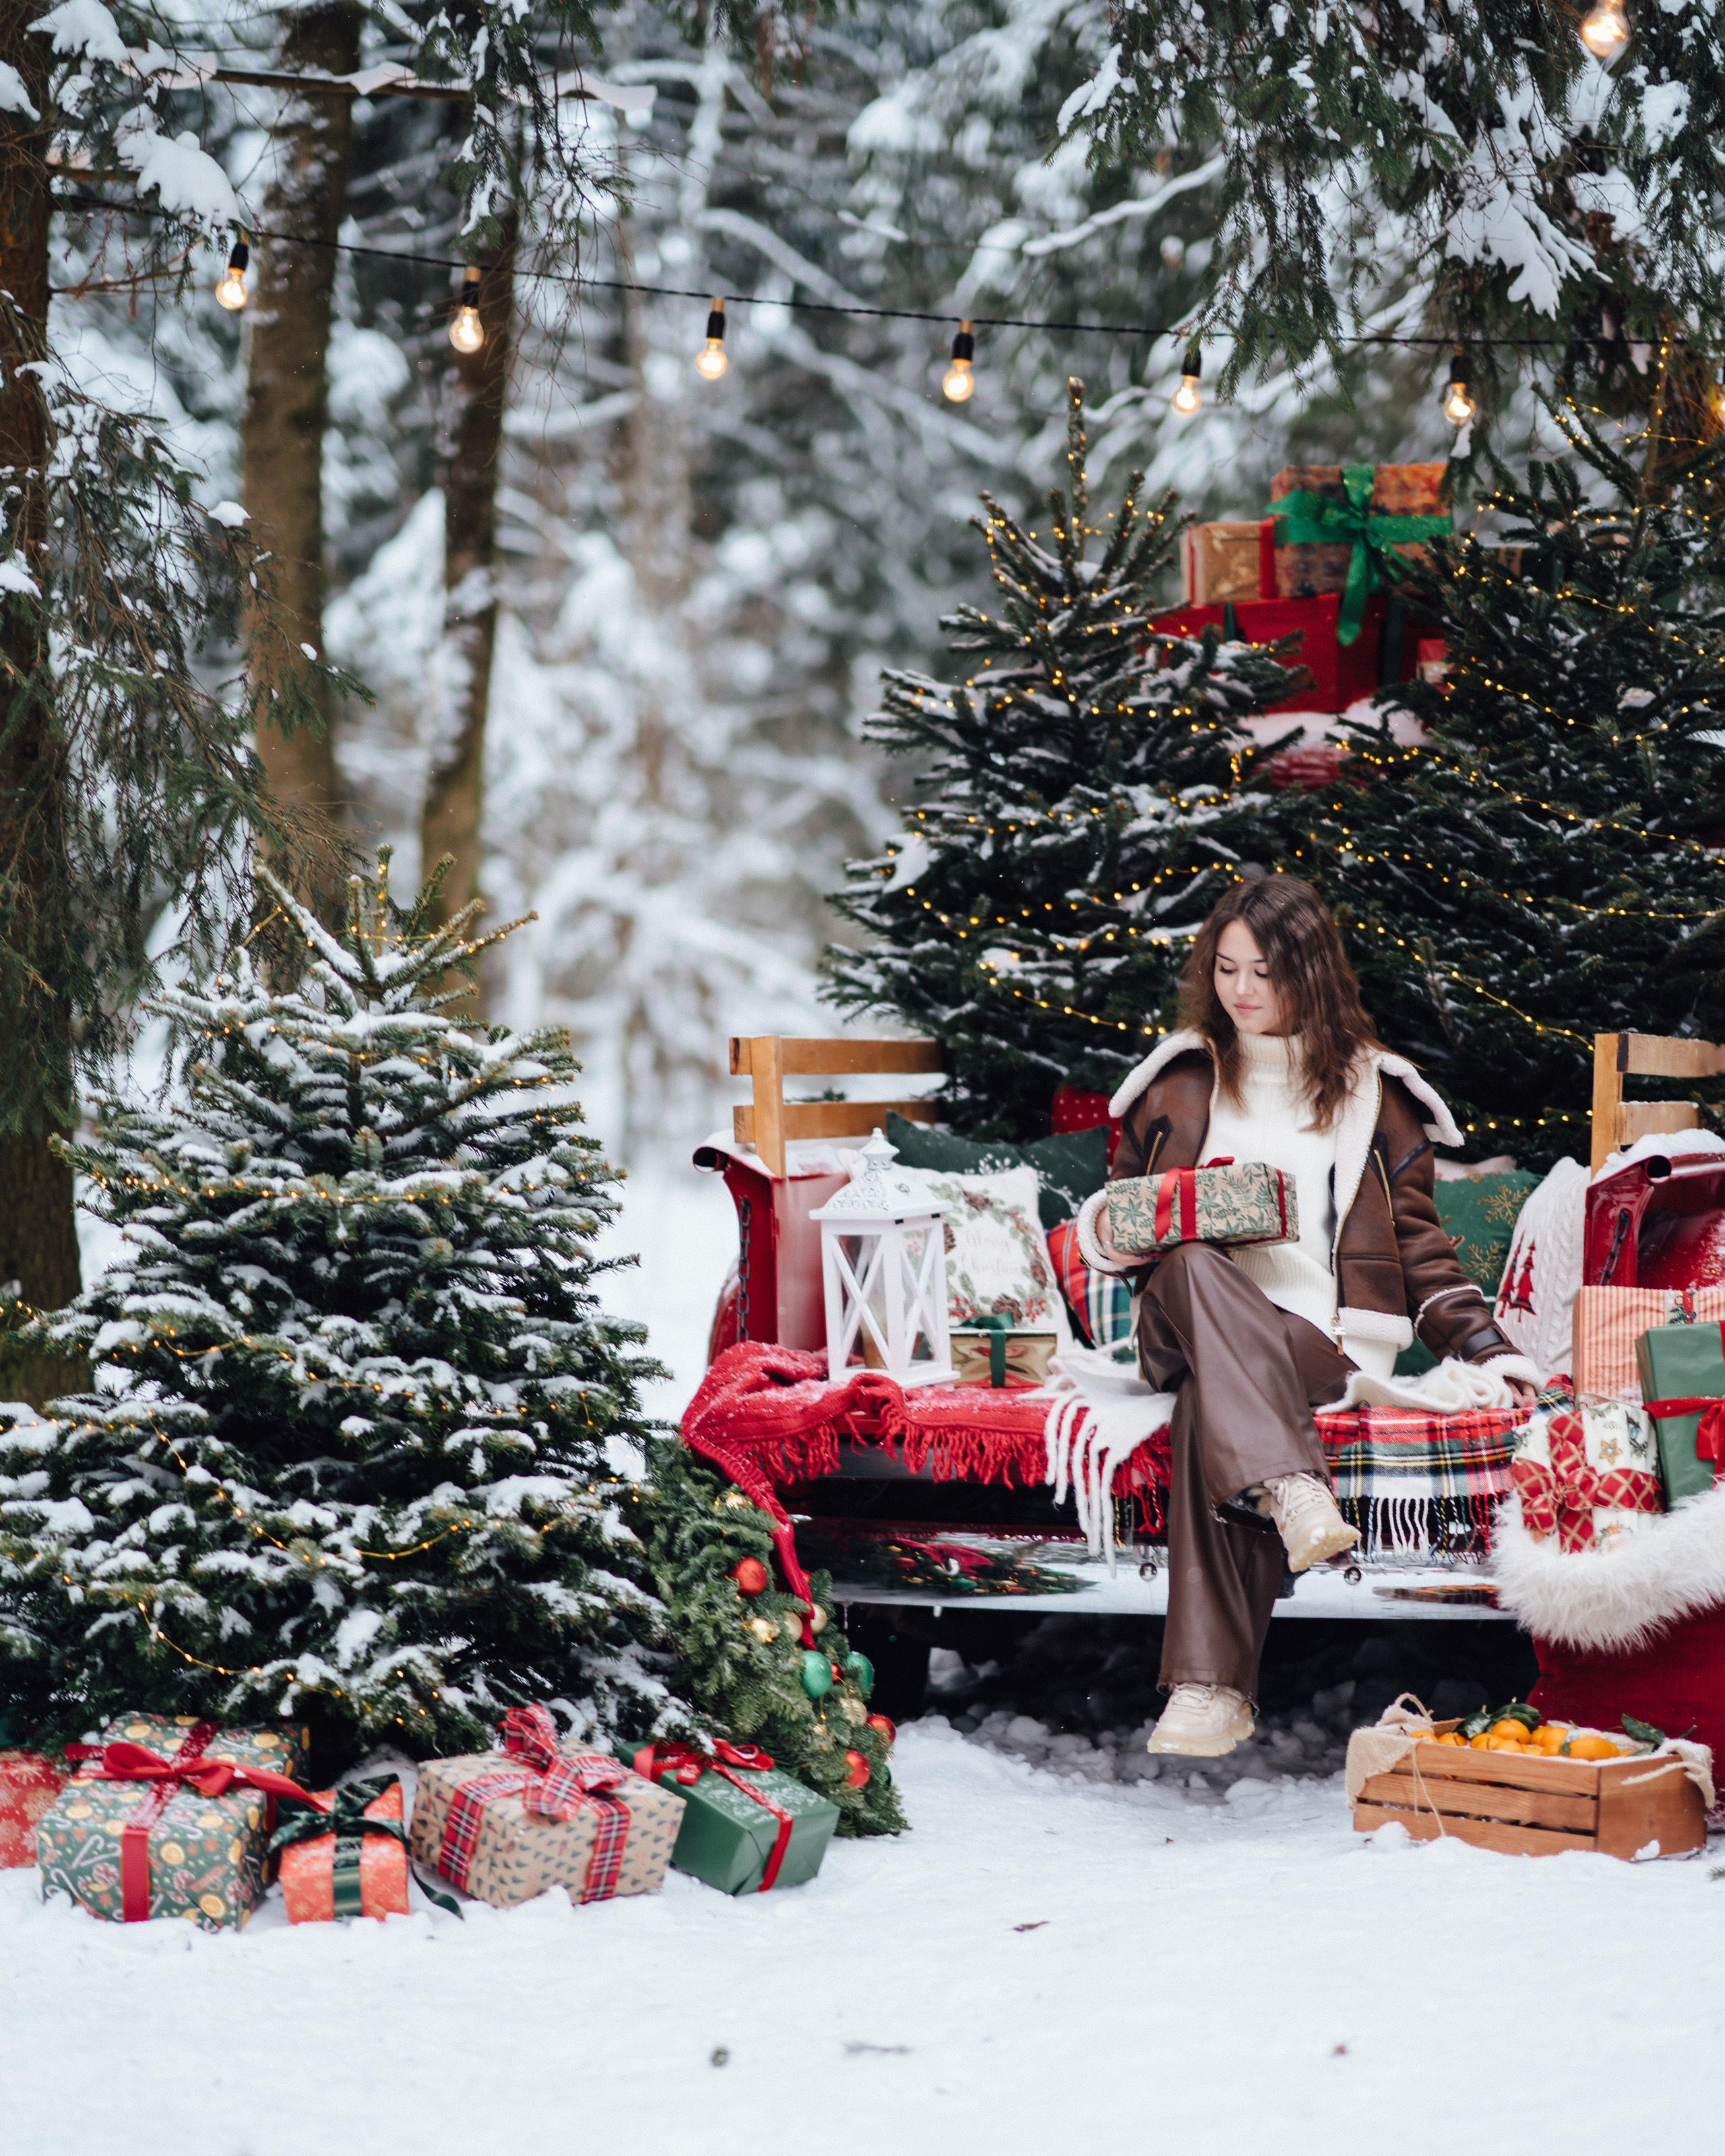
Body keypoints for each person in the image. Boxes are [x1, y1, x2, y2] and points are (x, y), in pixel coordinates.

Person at [1074, 873, 1537, 1758]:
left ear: (1312, 975)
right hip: (1182, 1317)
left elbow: (1421, 1252)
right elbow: (1117, 1220)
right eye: (1227, 968)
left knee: (1224, 1398)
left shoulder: (1375, 1097)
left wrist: (1485, 1344)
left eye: (1265, 971)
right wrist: (1140, 1223)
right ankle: (1290, 1484)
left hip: (1313, 1347)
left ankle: (1214, 1689)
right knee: (1195, 1259)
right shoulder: (1178, 1082)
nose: (1241, 991)